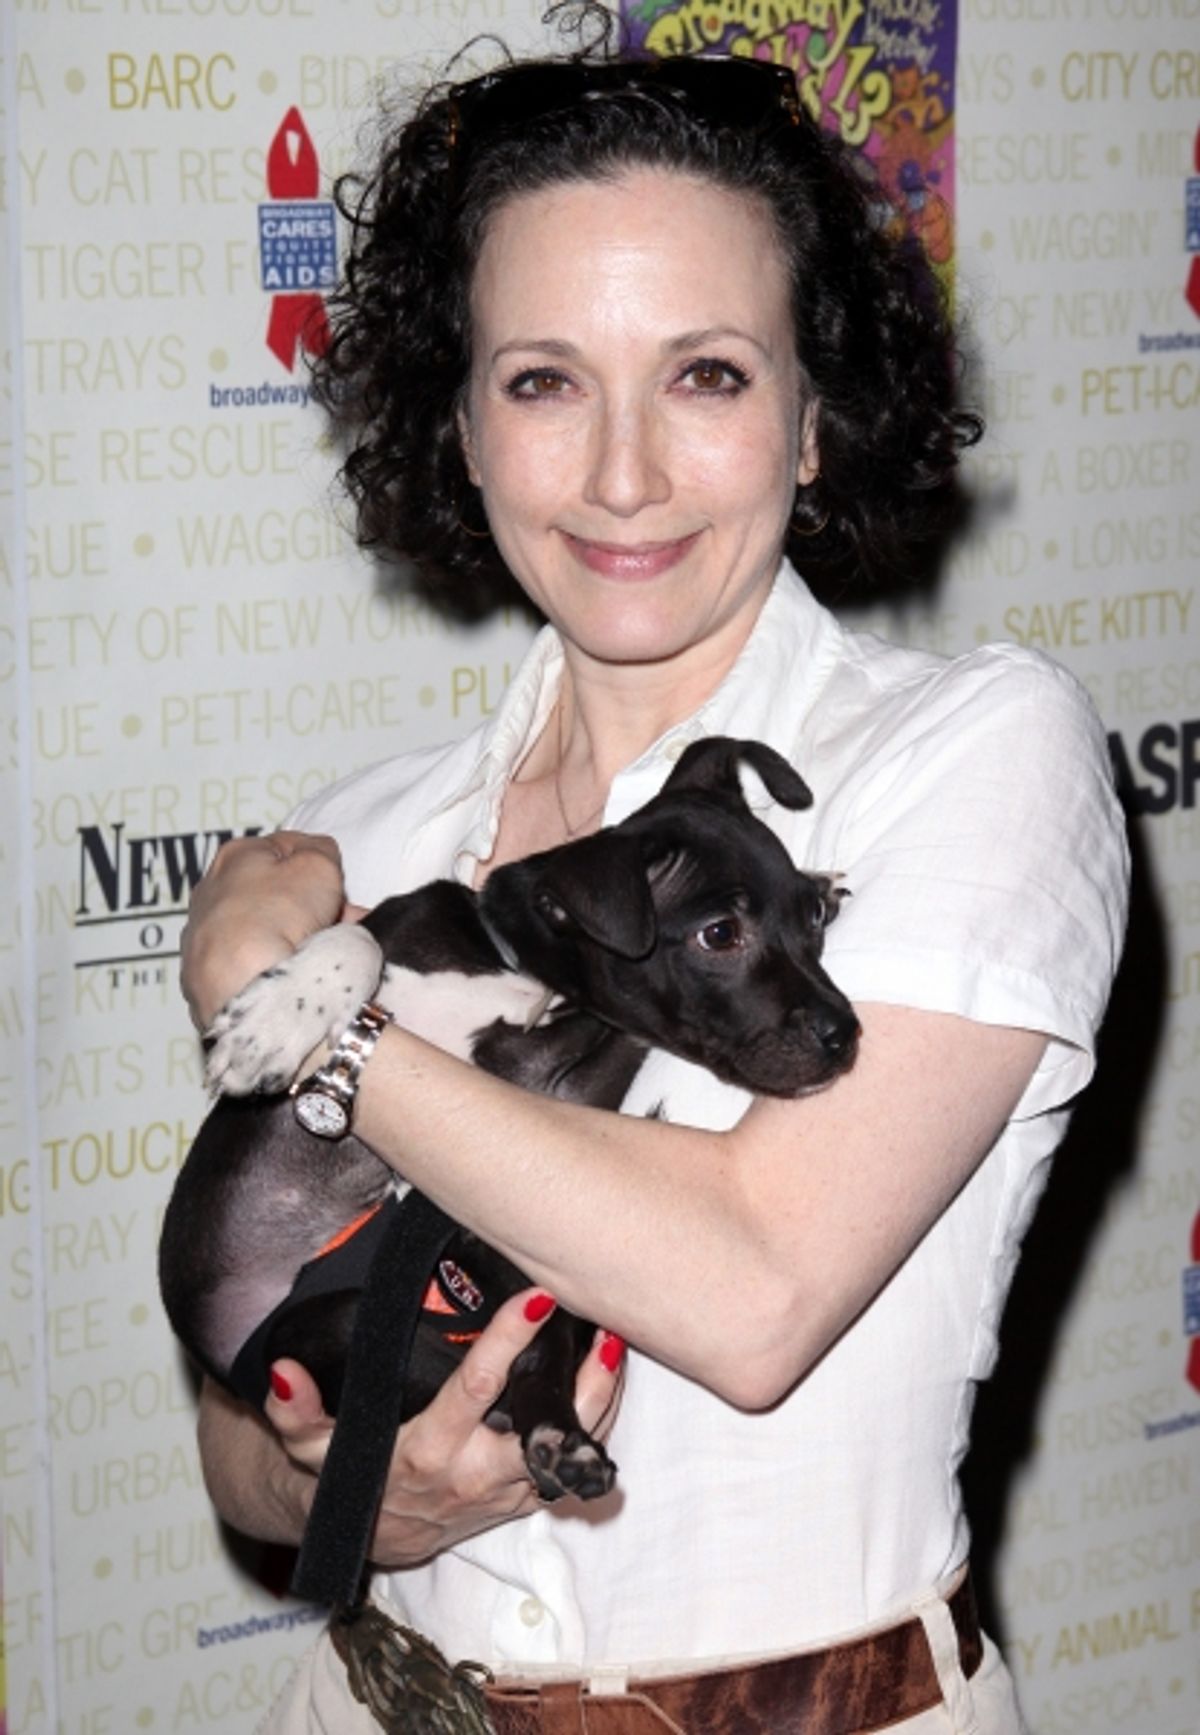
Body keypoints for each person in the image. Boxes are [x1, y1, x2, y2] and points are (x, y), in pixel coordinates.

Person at [181, 34, 1129, 1735]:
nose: (623, 474)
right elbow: (244, 1434)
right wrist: (339, 1488)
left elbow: (750, 1293)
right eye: (544, 381)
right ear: (459, 428)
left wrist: (300, 1018)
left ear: (817, 416)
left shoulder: (975, 756)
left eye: (706, 376)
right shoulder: (366, 842)